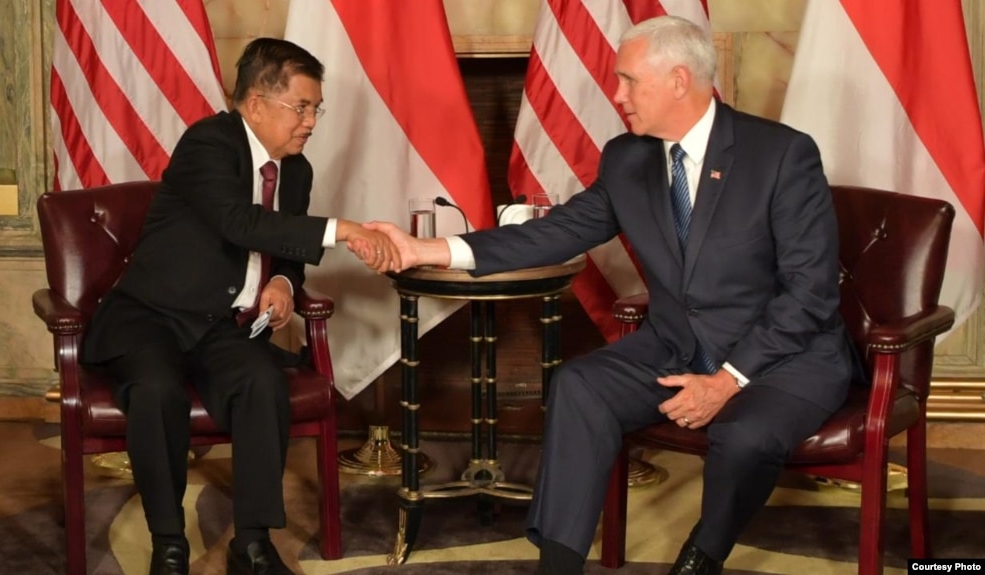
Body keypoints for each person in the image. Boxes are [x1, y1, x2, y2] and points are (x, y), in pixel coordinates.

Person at [365, 15, 861, 575]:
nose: (617, 95)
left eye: (629, 81)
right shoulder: (629, 158)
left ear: (679, 80)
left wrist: (726, 381)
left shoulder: (781, 155)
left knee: (744, 435)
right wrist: (425, 251)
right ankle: (558, 563)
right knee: (579, 385)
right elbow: (553, 233)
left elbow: (810, 294)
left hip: (782, 361)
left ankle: (704, 555)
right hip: (677, 347)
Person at [80, 38, 399, 575]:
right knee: (155, 391)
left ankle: (251, 541)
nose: (311, 121)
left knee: (262, 383)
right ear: (255, 104)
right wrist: (344, 229)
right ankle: (169, 544)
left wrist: (280, 281)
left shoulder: (295, 171)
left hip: (223, 326)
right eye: (301, 107)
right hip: (152, 315)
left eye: (316, 108)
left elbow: (286, 250)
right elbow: (238, 222)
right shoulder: (208, 142)